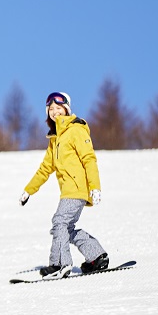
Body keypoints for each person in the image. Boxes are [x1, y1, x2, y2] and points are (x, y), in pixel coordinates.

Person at [19, 92, 108, 278]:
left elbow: (89, 159)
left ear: (66, 109)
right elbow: (45, 169)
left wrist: (95, 187)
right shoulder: (55, 139)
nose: (55, 112)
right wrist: (29, 190)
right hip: (69, 190)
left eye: (58, 108)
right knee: (66, 229)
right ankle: (97, 256)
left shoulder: (76, 130)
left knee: (59, 222)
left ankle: (59, 264)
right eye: (51, 109)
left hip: (76, 189)